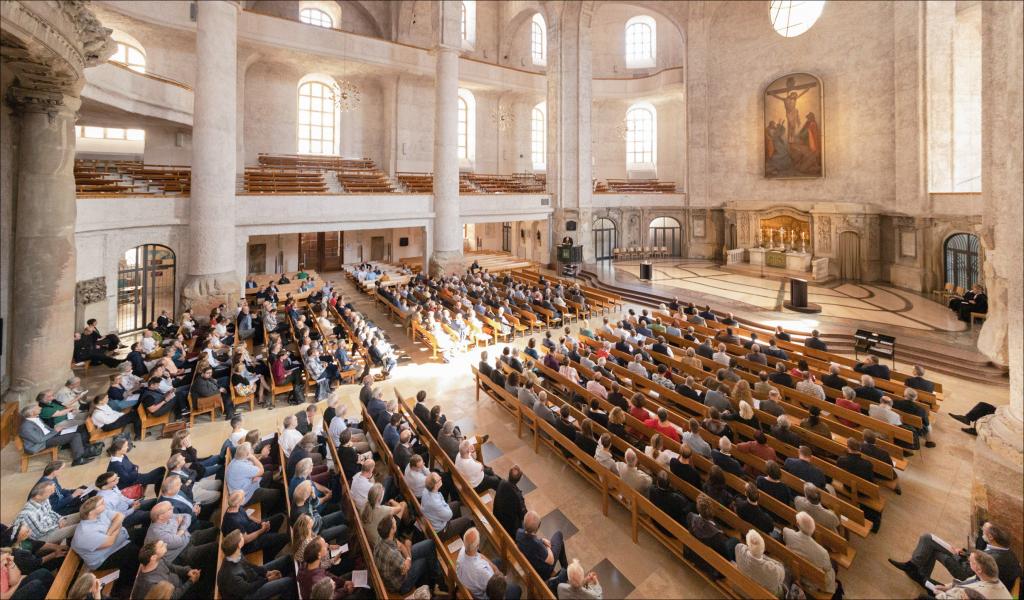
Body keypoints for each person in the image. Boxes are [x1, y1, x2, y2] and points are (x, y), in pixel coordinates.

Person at [889, 521, 1020, 592]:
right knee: (927, 538)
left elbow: (970, 573)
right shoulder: (1004, 550)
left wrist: (956, 556)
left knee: (932, 547)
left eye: (983, 531)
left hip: (968, 574)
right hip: (971, 566)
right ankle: (915, 568)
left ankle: (917, 571)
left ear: (991, 537)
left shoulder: (995, 559)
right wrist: (964, 553)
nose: (982, 532)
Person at [70, 496, 140, 598]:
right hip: (102, 560)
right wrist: (118, 526)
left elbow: (120, 516)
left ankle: (130, 577)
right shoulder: (86, 533)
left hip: (117, 543)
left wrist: (110, 531)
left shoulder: (100, 513)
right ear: (91, 512)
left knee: (141, 535)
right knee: (134, 553)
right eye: (101, 504)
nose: (105, 504)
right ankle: (127, 585)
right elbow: (110, 542)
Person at [216, 530, 296, 600]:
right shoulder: (232, 576)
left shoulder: (235, 553)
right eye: (242, 537)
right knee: (289, 582)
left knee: (287, 559)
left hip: (250, 578)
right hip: (248, 594)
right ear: (238, 545)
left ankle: (284, 579)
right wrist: (267, 580)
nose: (244, 536)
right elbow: (249, 589)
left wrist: (266, 572)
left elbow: (249, 565)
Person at [373, 516, 443, 595]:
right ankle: (433, 586)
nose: (395, 521)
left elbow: (401, 546)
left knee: (429, 544)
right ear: (392, 529)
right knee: (424, 561)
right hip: (401, 585)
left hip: (400, 564)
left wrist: (408, 557)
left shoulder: (382, 537)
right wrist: (408, 547)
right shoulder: (393, 555)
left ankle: (437, 578)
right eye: (394, 522)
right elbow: (406, 570)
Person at [144, 501, 218, 567]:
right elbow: (179, 542)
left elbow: (187, 516)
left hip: (188, 537)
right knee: (214, 547)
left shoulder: (168, 516)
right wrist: (179, 526)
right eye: (169, 508)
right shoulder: (157, 533)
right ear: (161, 516)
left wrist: (179, 531)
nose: (173, 507)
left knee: (215, 530)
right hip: (181, 553)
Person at [18, 404, 98, 466]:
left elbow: (45, 430)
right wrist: (55, 431)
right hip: (41, 444)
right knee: (74, 435)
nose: (40, 408)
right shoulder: (26, 427)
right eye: (37, 408)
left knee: (78, 427)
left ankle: (85, 449)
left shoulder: (36, 417)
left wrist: (57, 429)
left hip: (49, 436)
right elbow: (39, 439)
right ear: (31, 413)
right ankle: (78, 459)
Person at [221, 490, 288, 559]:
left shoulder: (234, 507)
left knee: (280, 517)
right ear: (238, 503)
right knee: (284, 537)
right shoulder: (235, 522)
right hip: (250, 543)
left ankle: (269, 538)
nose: (245, 498)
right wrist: (262, 530)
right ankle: (268, 556)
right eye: (243, 497)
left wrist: (261, 522)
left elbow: (247, 516)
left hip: (253, 528)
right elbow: (246, 539)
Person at [783, 512, 837, 595]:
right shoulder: (823, 552)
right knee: (832, 566)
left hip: (795, 568)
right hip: (812, 579)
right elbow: (827, 568)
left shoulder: (787, 533)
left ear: (797, 524)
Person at [12, 480, 81, 544]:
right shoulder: (28, 513)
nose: (52, 493)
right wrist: (58, 526)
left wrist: (60, 519)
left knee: (81, 515)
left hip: (52, 525)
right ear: (38, 496)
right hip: (42, 537)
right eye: (49, 491)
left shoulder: (45, 499)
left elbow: (51, 512)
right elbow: (40, 532)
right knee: (79, 527)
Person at [517, 511, 569, 591]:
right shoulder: (537, 545)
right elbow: (551, 560)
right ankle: (566, 569)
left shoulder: (519, 533)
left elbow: (532, 542)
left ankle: (565, 569)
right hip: (543, 573)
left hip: (530, 564)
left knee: (560, 544)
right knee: (559, 535)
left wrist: (542, 540)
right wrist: (548, 547)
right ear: (537, 528)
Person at [133, 539, 202, 600]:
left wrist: (187, 571)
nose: (166, 544)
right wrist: (191, 581)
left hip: (177, 582)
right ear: (153, 557)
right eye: (162, 545)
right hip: (177, 592)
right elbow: (173, 596)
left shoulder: (159, 560)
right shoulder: (151, 584)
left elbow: (172, 567)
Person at [225, 442, 282, 514]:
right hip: (245, 496)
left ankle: (264, 496)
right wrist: (253, 457)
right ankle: (265, 513)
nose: (252, 450)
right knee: (276, 493)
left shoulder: (236, 460)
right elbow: (261, 470)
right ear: (248, 454)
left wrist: (251, 478)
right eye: (251, 449)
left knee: (268, 474)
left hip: (245, 486)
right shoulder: (242, 466)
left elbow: (252, 469)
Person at [932, 551, 1012, 599]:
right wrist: (947, 587)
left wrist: (940, 594)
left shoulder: (976, 594)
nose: (968, 561)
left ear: (979, 569)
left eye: (970, 561)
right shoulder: (988, 577)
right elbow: (965, 583)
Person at [735, 529, 787, 598]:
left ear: (747, 544)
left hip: (744, 589)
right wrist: (764, 557)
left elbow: (742, 547)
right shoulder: (772, 570)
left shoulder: (739, 548)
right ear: (764, 549)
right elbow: (781, 576)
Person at [493, 467, 528, 537]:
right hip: (508, 527)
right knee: (528, 525)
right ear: (519, 479)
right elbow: (523, 515)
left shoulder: (502, 482)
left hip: (496, 515)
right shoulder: (517, 495)